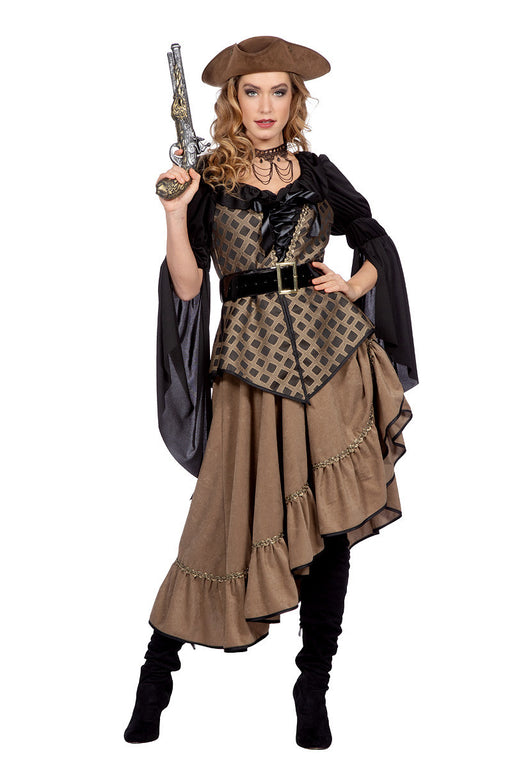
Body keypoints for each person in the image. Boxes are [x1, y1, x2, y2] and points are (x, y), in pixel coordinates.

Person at [124, 35, 418, 751]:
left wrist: (352, 283)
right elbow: (188, 286)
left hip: (334, 358)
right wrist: (175, 213)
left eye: (278, 92)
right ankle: (156, 675)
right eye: (251, 92)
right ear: (233, 101)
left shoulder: (316, 171)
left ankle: (313, 686)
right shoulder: (208, 176)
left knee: (333, 523)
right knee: (218, 519)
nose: (265, 106)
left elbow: (376, 240)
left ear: (295, 100)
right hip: (250, 372)